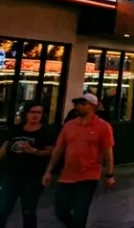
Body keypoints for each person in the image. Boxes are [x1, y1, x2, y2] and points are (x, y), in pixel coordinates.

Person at [42, 93, 115, 228]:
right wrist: (48, 171)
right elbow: (59, 148)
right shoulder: (69, 125)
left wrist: (110, 174)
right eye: (77, 104)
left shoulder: (103, 127)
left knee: (80, 213)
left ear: (94, 106)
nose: (79, 107)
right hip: (68, 175)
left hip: (89, 174)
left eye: (83, 104)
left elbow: (108, 152)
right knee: (60, 210)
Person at [0, 100, 55, 228]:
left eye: (39, 113)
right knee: (1, 210)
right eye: (32, 112)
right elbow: (4, 148)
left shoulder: (46, 132)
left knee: (28, 211)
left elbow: (51, 152)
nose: (35, 115)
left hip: (32, 177)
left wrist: (34, 151)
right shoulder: (16, 130)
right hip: (11, 175)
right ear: (26, 114)